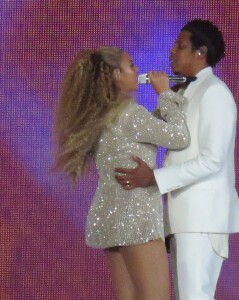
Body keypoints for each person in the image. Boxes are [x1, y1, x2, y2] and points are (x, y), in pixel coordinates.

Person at [115, 20, 239, 300]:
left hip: (201, 217)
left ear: (201, 52)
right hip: (183, 217)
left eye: (181, 46)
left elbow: (213, 160)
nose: (172, 52)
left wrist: (156, 178)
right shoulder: (184, 93)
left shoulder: (215, 92)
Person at [52, 46, 190, 300]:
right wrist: (165, 95)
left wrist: (164, 104)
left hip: (109, 218)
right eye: (131, 66)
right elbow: (179, 137)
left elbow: (150, 131)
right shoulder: (131, 115)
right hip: (135, 218)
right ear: (116, 75)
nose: (137, 71)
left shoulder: (104, 116)